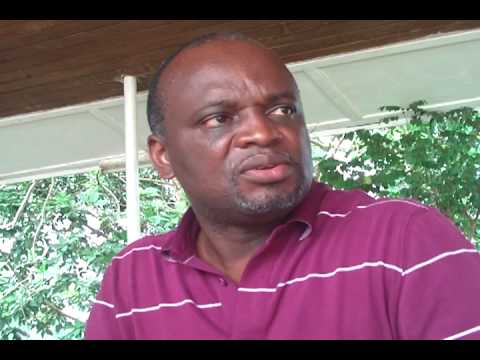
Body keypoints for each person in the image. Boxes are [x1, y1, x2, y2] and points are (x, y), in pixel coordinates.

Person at [84, 32, 480, 340]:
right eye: (218, 118)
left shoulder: (404, 241)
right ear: (163, 155)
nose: (263, 132)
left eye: (282, 110)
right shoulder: (134, 278)